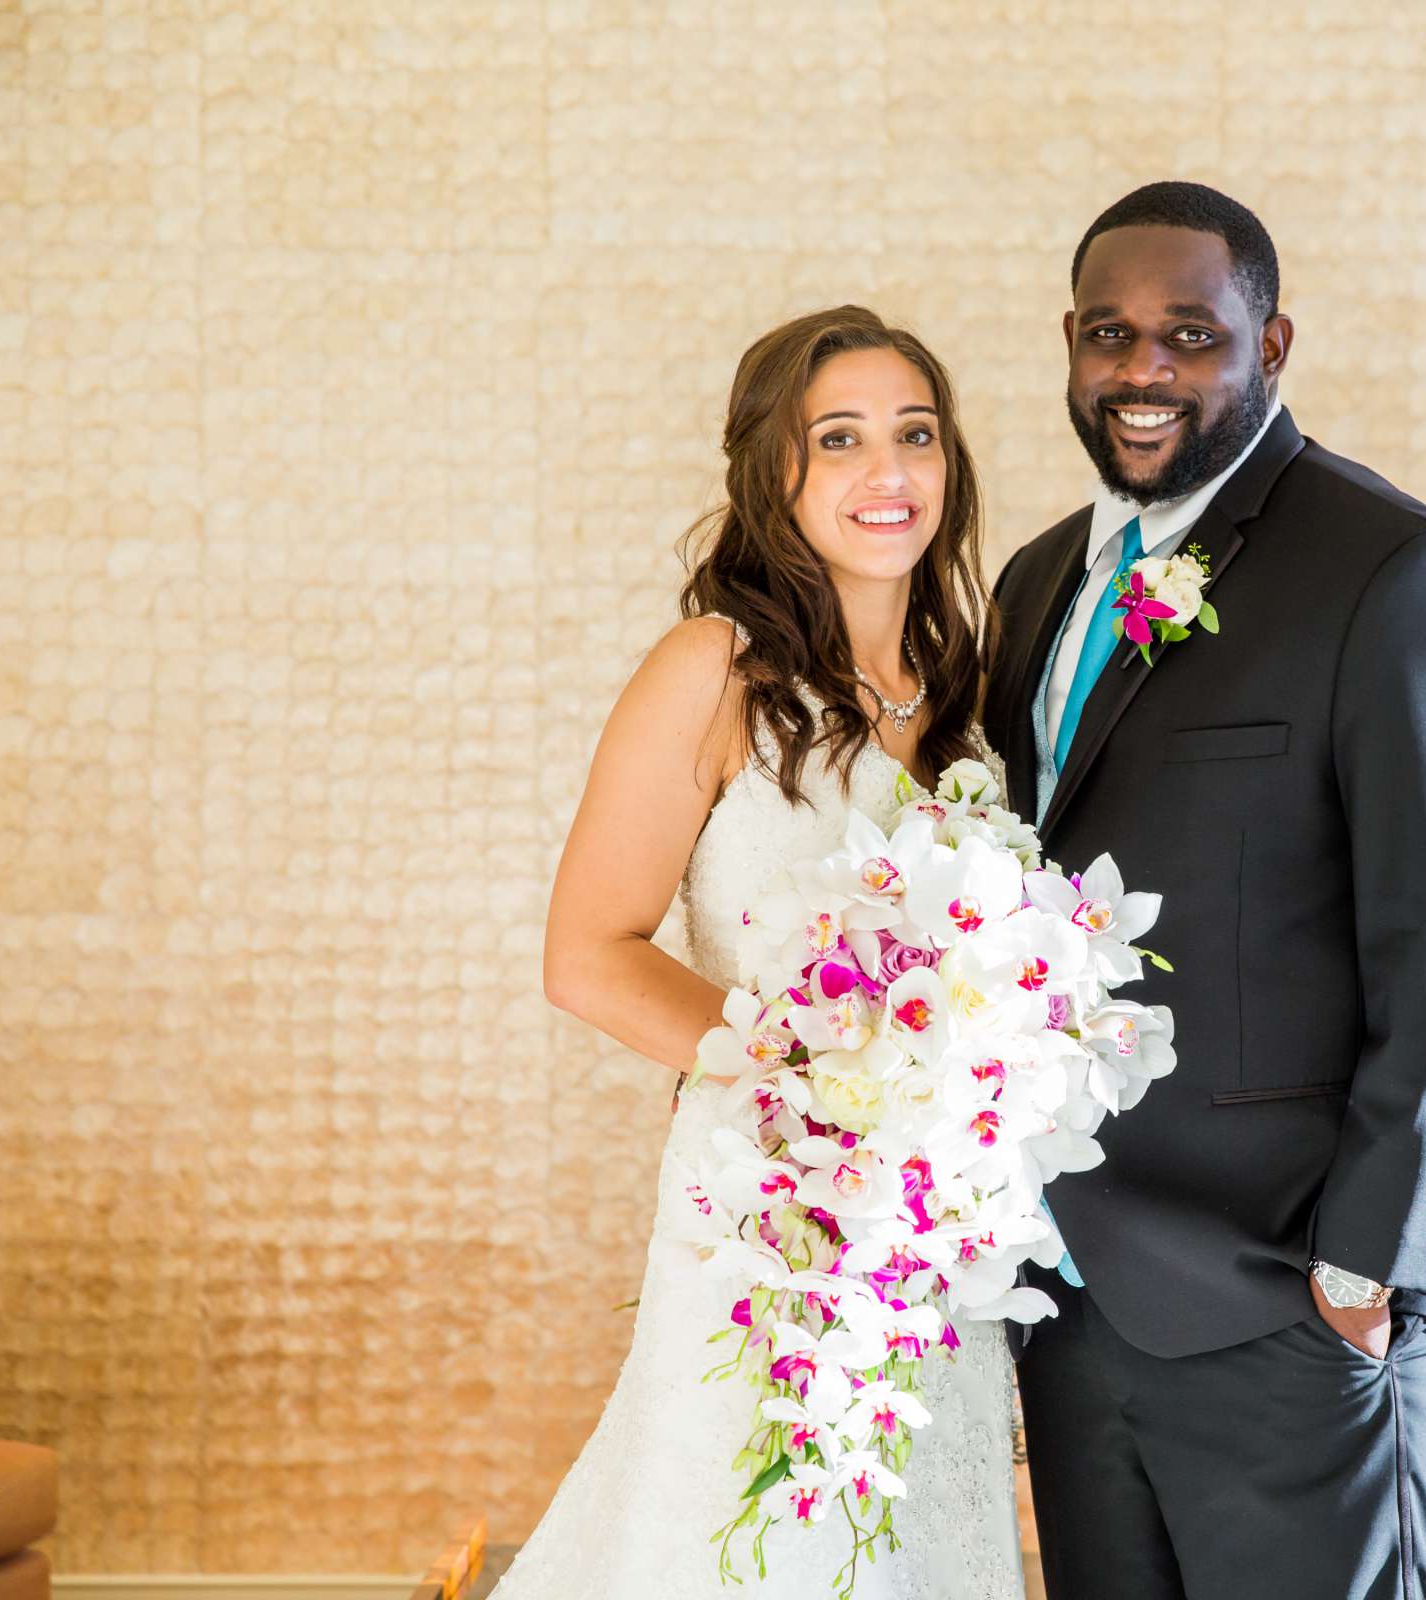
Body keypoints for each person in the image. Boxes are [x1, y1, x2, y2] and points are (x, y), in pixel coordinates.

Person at [987, 182, 1426, 1599]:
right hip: (1079, 1286)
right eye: (1111, 335)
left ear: (1273, 344)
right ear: (1070, 343)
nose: (1145, 371)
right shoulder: (1038, 582)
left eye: (1192, 333)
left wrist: (1365, 1277)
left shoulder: (1399, 574)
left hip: (1298, 1295)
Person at [506, 306, 1024, 1598]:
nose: (887, 473)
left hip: (931, 1224)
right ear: (771, 474)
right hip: (768, 1202)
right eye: (836, 440)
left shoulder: (968, 695)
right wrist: (814, 1076)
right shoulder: (714, 668)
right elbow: (589, 953)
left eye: (915, 434)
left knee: (917, 1539)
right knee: (752, 1532)